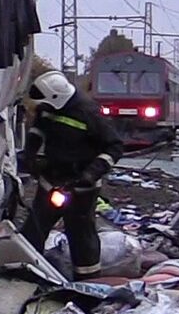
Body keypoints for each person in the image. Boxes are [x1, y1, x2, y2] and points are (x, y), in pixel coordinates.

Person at [20, 71, 124, 278]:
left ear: (57, 98)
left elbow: (114, 147)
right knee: (34, 229)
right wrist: (30, 154)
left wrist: (91, 173)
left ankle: (87, 280)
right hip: (51, 180)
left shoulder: (89, 113)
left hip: (81, 187)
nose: (42, 108)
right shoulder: (48, 108)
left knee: (81, 235)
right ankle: (27, 271)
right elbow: (39, 130)